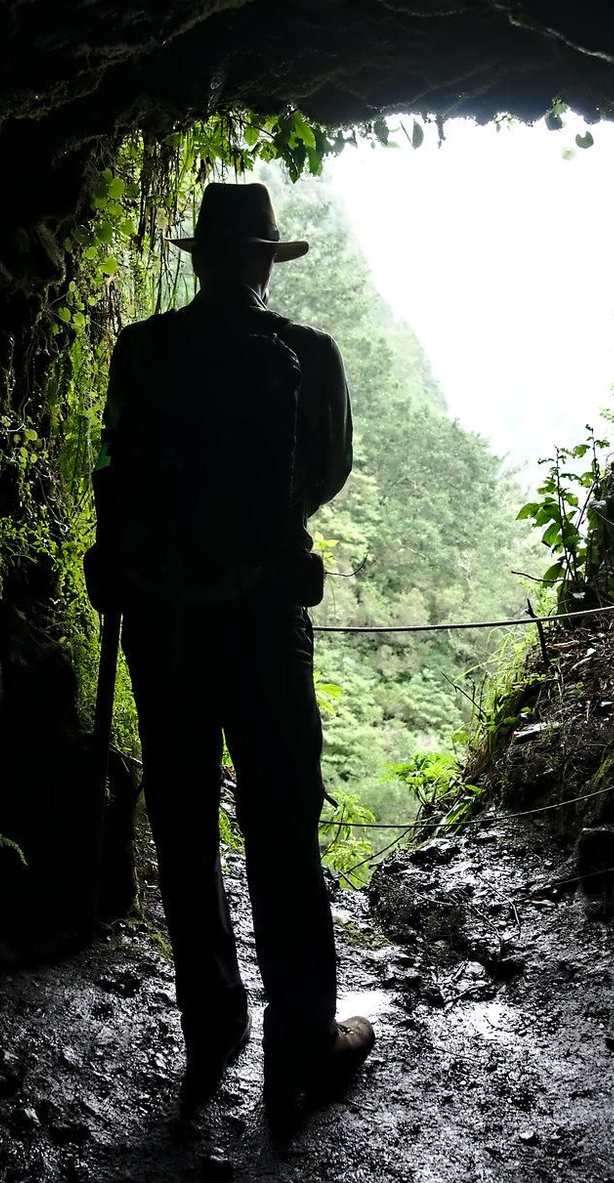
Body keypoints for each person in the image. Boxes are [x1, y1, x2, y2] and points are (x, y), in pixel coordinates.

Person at [89, 181, 373, 1116]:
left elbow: (116, 465)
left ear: (201, 258)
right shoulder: (310, 355)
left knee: (183, 824)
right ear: (263, 261)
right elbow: (324, 471)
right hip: (261, 616)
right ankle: (301, 1047)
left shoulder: (142, 349)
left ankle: (211, 1028)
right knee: (282, 828)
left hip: (162, 620)